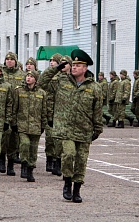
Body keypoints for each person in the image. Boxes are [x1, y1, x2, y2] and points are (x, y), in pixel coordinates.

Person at [39, 49, 103, 203]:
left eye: (78, 65)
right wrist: (56, 68)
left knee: (81, 160)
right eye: (72, 65)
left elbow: (97, 110)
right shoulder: (61, 81)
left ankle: (77, 189)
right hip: (65, 129)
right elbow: (41, 82)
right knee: (68, 155)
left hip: (84, 129)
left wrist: (98, 129)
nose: (74, 67)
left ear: (85, 68)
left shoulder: (94, 87)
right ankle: (67, 182)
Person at [12, 70, 47, 182]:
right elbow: (14, 108)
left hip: (36, 125)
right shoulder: (19, 91)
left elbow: (44, 111)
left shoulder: (41, 93)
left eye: (31, 76)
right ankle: (24, 164)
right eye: (27, 76)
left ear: (35, 79)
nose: (28, 78)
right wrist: (14, 123)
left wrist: (43, 125)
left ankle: (30, 170)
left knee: (33, 149)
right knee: (25, 144)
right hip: (22, 125)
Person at [0, 52, 26, 175]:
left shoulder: (22, 75)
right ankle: (1, 159)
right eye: (7, 59)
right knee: (4, 136)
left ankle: (11, 163)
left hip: (17, 110)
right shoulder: (1, 74)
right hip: (2, 110)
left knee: (15, 138)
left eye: (12, 59)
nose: (9, 61)